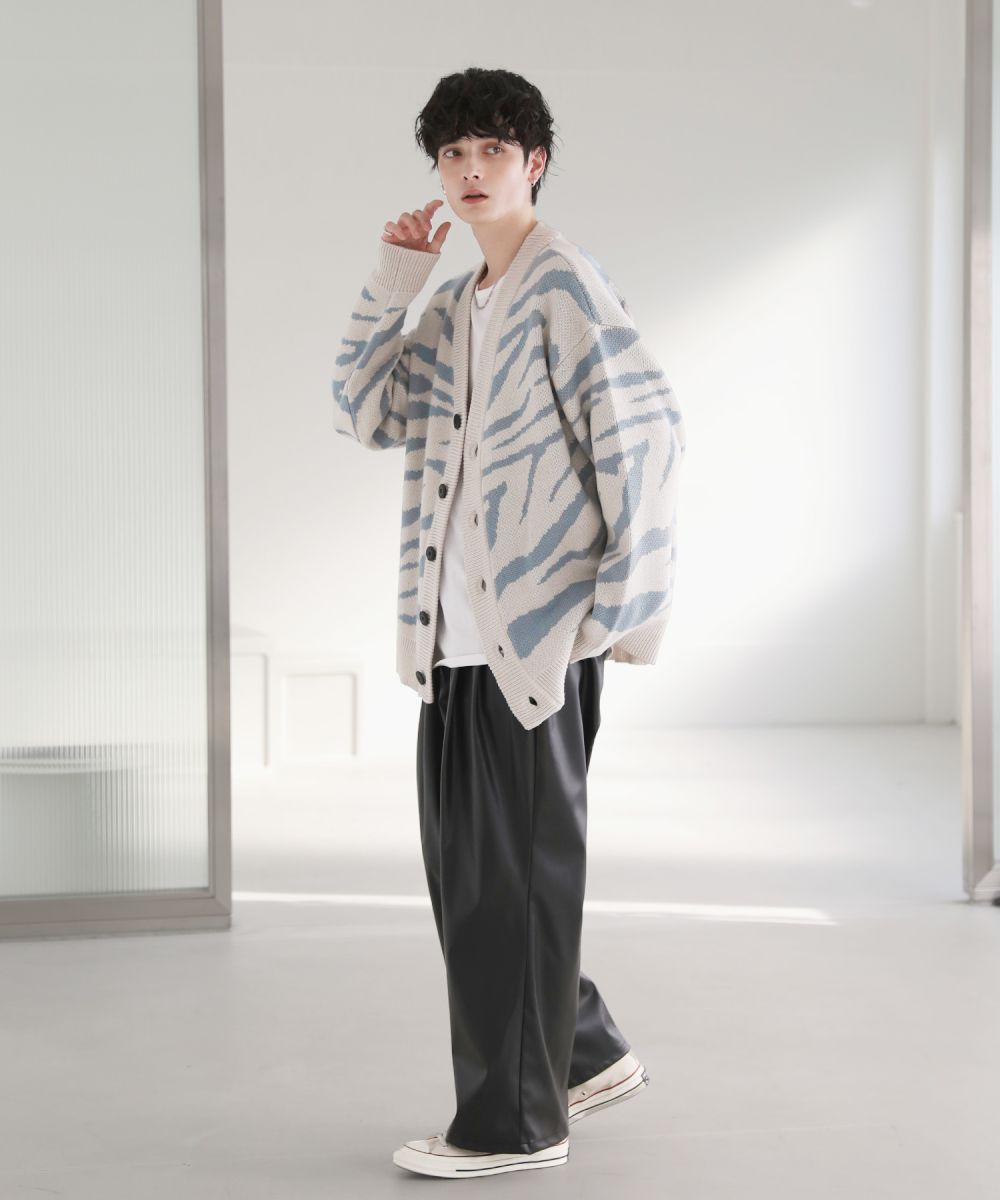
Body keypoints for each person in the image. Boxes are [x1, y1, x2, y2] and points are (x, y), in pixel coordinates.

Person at [331, 66, 685, 1179]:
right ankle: (582, 1050)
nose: (471, 170)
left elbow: (648, 439)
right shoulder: (452, 305)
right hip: (452, 646)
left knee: (512, 887)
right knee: (473, 888)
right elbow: (365, 413)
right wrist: (395, 278)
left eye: (492, 149)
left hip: (533, 644)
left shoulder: (564, 285)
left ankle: (516, 1126)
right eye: (453, 153)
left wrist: (611, 617)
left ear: (534, 161)